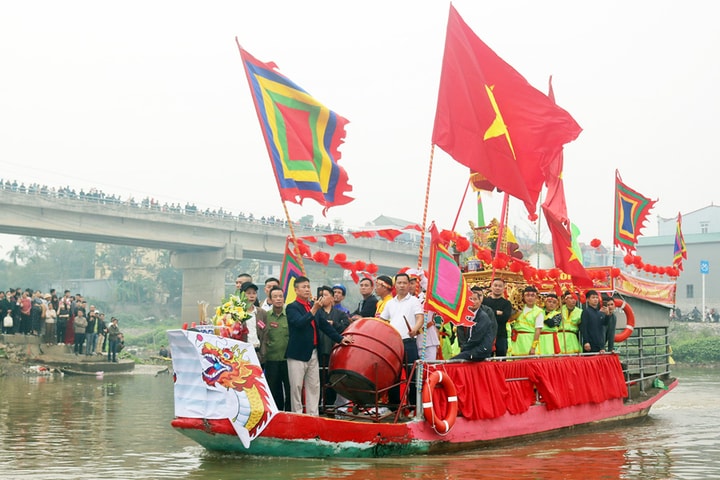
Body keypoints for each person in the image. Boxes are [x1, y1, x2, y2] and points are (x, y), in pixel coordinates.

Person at [285, 276, 352, 416]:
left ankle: (313, 415)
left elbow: (325, 326)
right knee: (296, 387)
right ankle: (297, 415)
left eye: (308, 286)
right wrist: (314, 309)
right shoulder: (292, 307)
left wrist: (340, 339)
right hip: (297, 353)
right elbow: (299, 323)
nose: (307, 289)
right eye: (303, 287)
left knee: (314, 386)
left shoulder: (313, 306)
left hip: (314, 352)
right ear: (296, 290)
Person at [378, 272, 424, 408]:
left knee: (412, 376)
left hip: (408, 342)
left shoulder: (414, 301)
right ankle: (393, 407)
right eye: (399, 283)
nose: (402, 285)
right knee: (393, 375)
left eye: (405, 283)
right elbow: (382, 321)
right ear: (395, 285)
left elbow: (420, 318)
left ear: (409, 285)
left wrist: (414, 329)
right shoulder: (390, 303)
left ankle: (414, 407)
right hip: (393, 344)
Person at [315, 286, 350, 410]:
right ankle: (318, 406)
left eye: (324, 295)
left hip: (335, 352)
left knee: (333, 380)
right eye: (320, 295)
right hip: (319, 351)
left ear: (331, 298)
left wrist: (334, 324)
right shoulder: (316, 312)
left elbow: (346, 328)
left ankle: (330, 406)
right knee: (317, 380)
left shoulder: (340, 314)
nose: (322, 298)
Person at [260, 286, 291, 411]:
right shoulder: (265, 316)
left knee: (290, 389)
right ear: (270, 299)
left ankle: (290, 413)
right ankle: (276, 413)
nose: (278, 299)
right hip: (271, 358)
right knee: (273, 389)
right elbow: (261, 334)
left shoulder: (289, 315)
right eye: (275, 297)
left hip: (287, 359)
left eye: (281, 296)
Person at [451, 293, 497, 361]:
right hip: (474, 348)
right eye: (470, 299)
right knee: (456, 359)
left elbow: (477, 337)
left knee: (454, 360)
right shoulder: (469, 315)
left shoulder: (483, 316)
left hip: (481, 349)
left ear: (480, 301)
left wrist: (465, 348)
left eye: (475, 299)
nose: (473, 302)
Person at [508, 286, 544, 356]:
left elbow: (538, 330)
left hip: (529, 339)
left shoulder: (538, 311)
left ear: (536, 297)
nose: (530, 298)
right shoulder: (518, 309)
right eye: (527, 295)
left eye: (532, 295)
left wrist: (533, 347)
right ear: (523, 297)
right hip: (517, 341)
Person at [483, 278, 513, 357]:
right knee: (486, 359)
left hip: (501, 335)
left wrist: (490, 314)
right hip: (486, 335)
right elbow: (483, 317)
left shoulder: (506, 303)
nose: (497, 288)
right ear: (491, 287)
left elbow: (504, 319)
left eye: (500, 286)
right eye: (495, 285)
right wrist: (496, 312)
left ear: (503, 288)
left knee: (501, 359)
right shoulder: (484, 301)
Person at [240, 282, 267, 354]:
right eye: (248, 293)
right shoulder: (236, 312)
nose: (252, 296)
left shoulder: (261, 312)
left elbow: (265, 334)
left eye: (254, 293)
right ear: (242, 295)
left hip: (257, 352)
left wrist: (262, 353)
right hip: (242, 352)